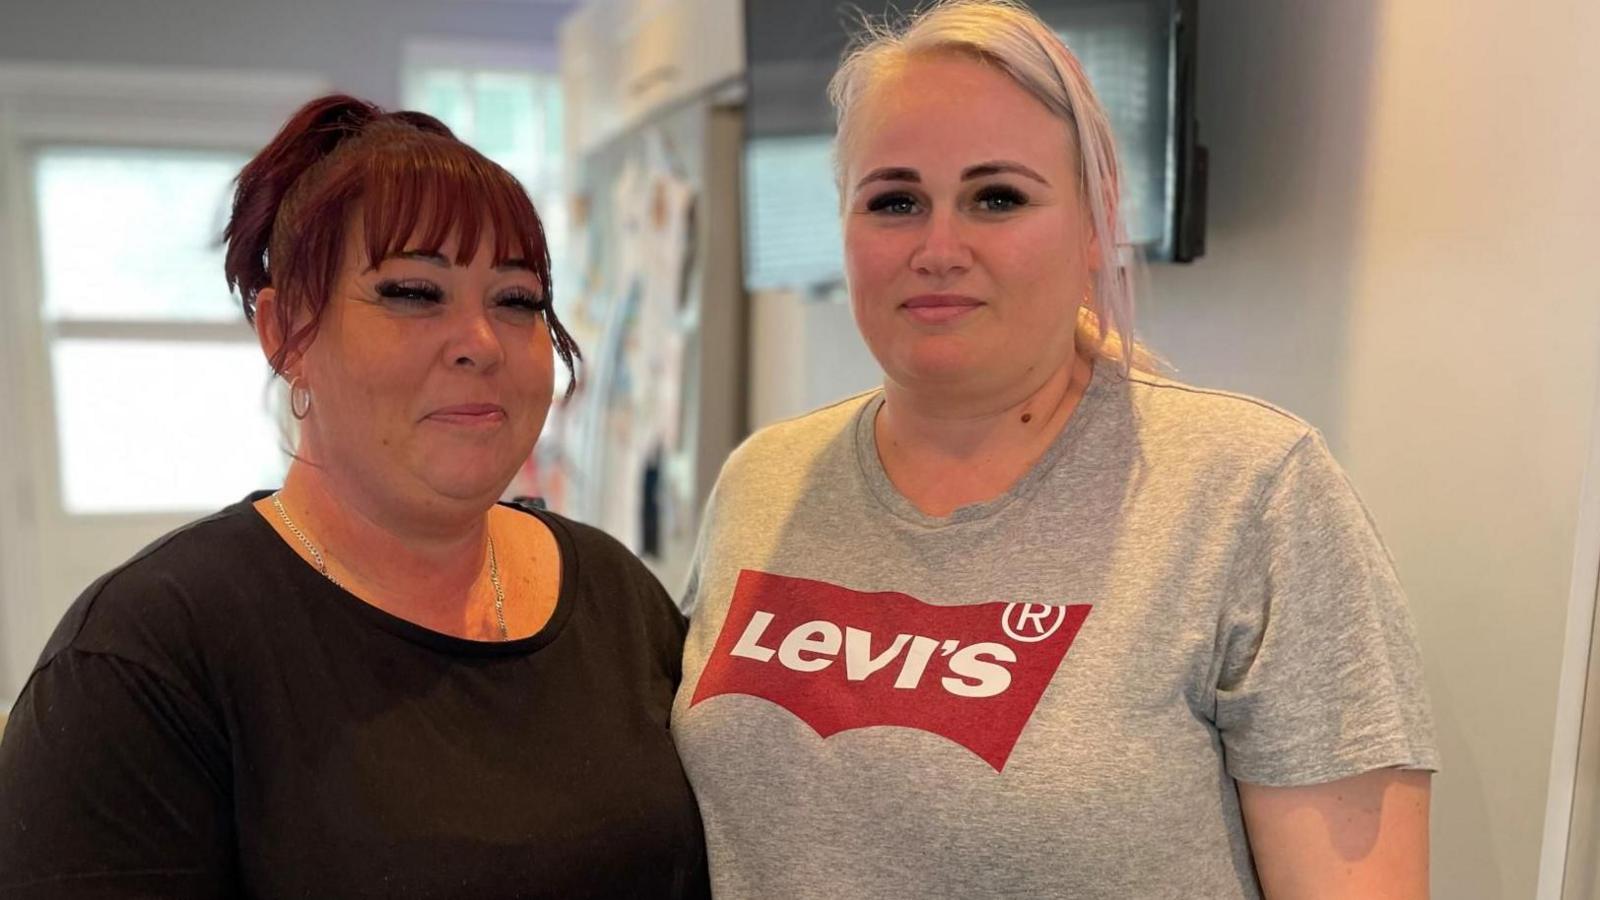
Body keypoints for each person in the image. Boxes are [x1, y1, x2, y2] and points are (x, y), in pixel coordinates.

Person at [670, 2, 1437, 897]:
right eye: (894, 200)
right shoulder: (764, 481)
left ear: (1092, 227)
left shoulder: (1250, 493)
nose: (938, 246)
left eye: (997, 197)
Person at [0, 95, 709, 899]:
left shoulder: (618, 599)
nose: (480, 342)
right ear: (286, 332)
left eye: (518, 300)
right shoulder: (144, 662)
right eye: (413, 292)